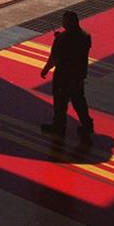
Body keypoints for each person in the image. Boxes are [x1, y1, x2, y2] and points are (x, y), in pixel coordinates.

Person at [41, 10, 94, 140]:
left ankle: (59, 126)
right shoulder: (85, 36)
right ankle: (87, 124)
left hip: (63, 76)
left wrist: (46, 69)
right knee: (79, 101)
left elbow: (55, 58)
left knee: (60, 101)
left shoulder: (62, 39)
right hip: (78, 75)